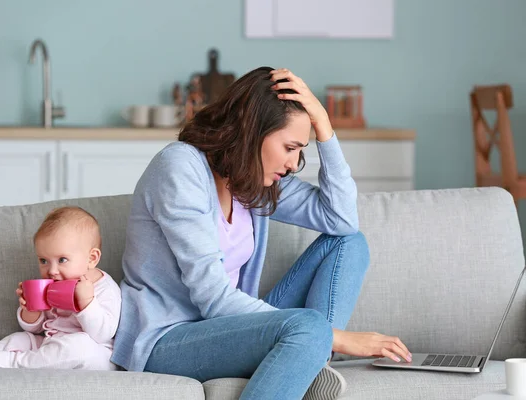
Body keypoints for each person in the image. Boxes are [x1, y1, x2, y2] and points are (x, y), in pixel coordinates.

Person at [111, 67, 411, 399]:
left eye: (301, 151)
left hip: (231, 331)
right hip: (167, 340)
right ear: (253, 132)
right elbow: (213, 298)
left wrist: (324, 124)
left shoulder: (251, 182)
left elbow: (341, 220)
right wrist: (336, 336)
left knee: (349, 244)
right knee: (310, 328)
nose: (294, 163)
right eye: (289, 147)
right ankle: (309, 352)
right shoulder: (180, 167)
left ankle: (308, 359)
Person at [0, 206, 121, 370]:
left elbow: (102, 334)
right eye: (44, 261)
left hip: (92, 353)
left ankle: (6, 362)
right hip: (50, 344)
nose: (52, 271)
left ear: (91, 258)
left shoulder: (104, 288)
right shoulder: (51, 284)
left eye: (62, 260)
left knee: (78, 346)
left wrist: (86, 302)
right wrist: (30, 311)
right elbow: (36, 328)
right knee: (22, 338)